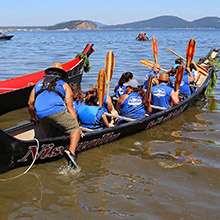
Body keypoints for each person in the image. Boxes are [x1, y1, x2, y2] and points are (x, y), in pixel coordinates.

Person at [28, 62, 83, 170]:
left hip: (40, 113)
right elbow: (70, 106)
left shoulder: (38, 84)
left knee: (51, 137)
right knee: (75, 130)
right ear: (61, 75)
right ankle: (71, 153)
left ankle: (52, 155)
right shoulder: (64, 84)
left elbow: (30, 104)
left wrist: (33, 117)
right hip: (55, 110)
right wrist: (77, 126)